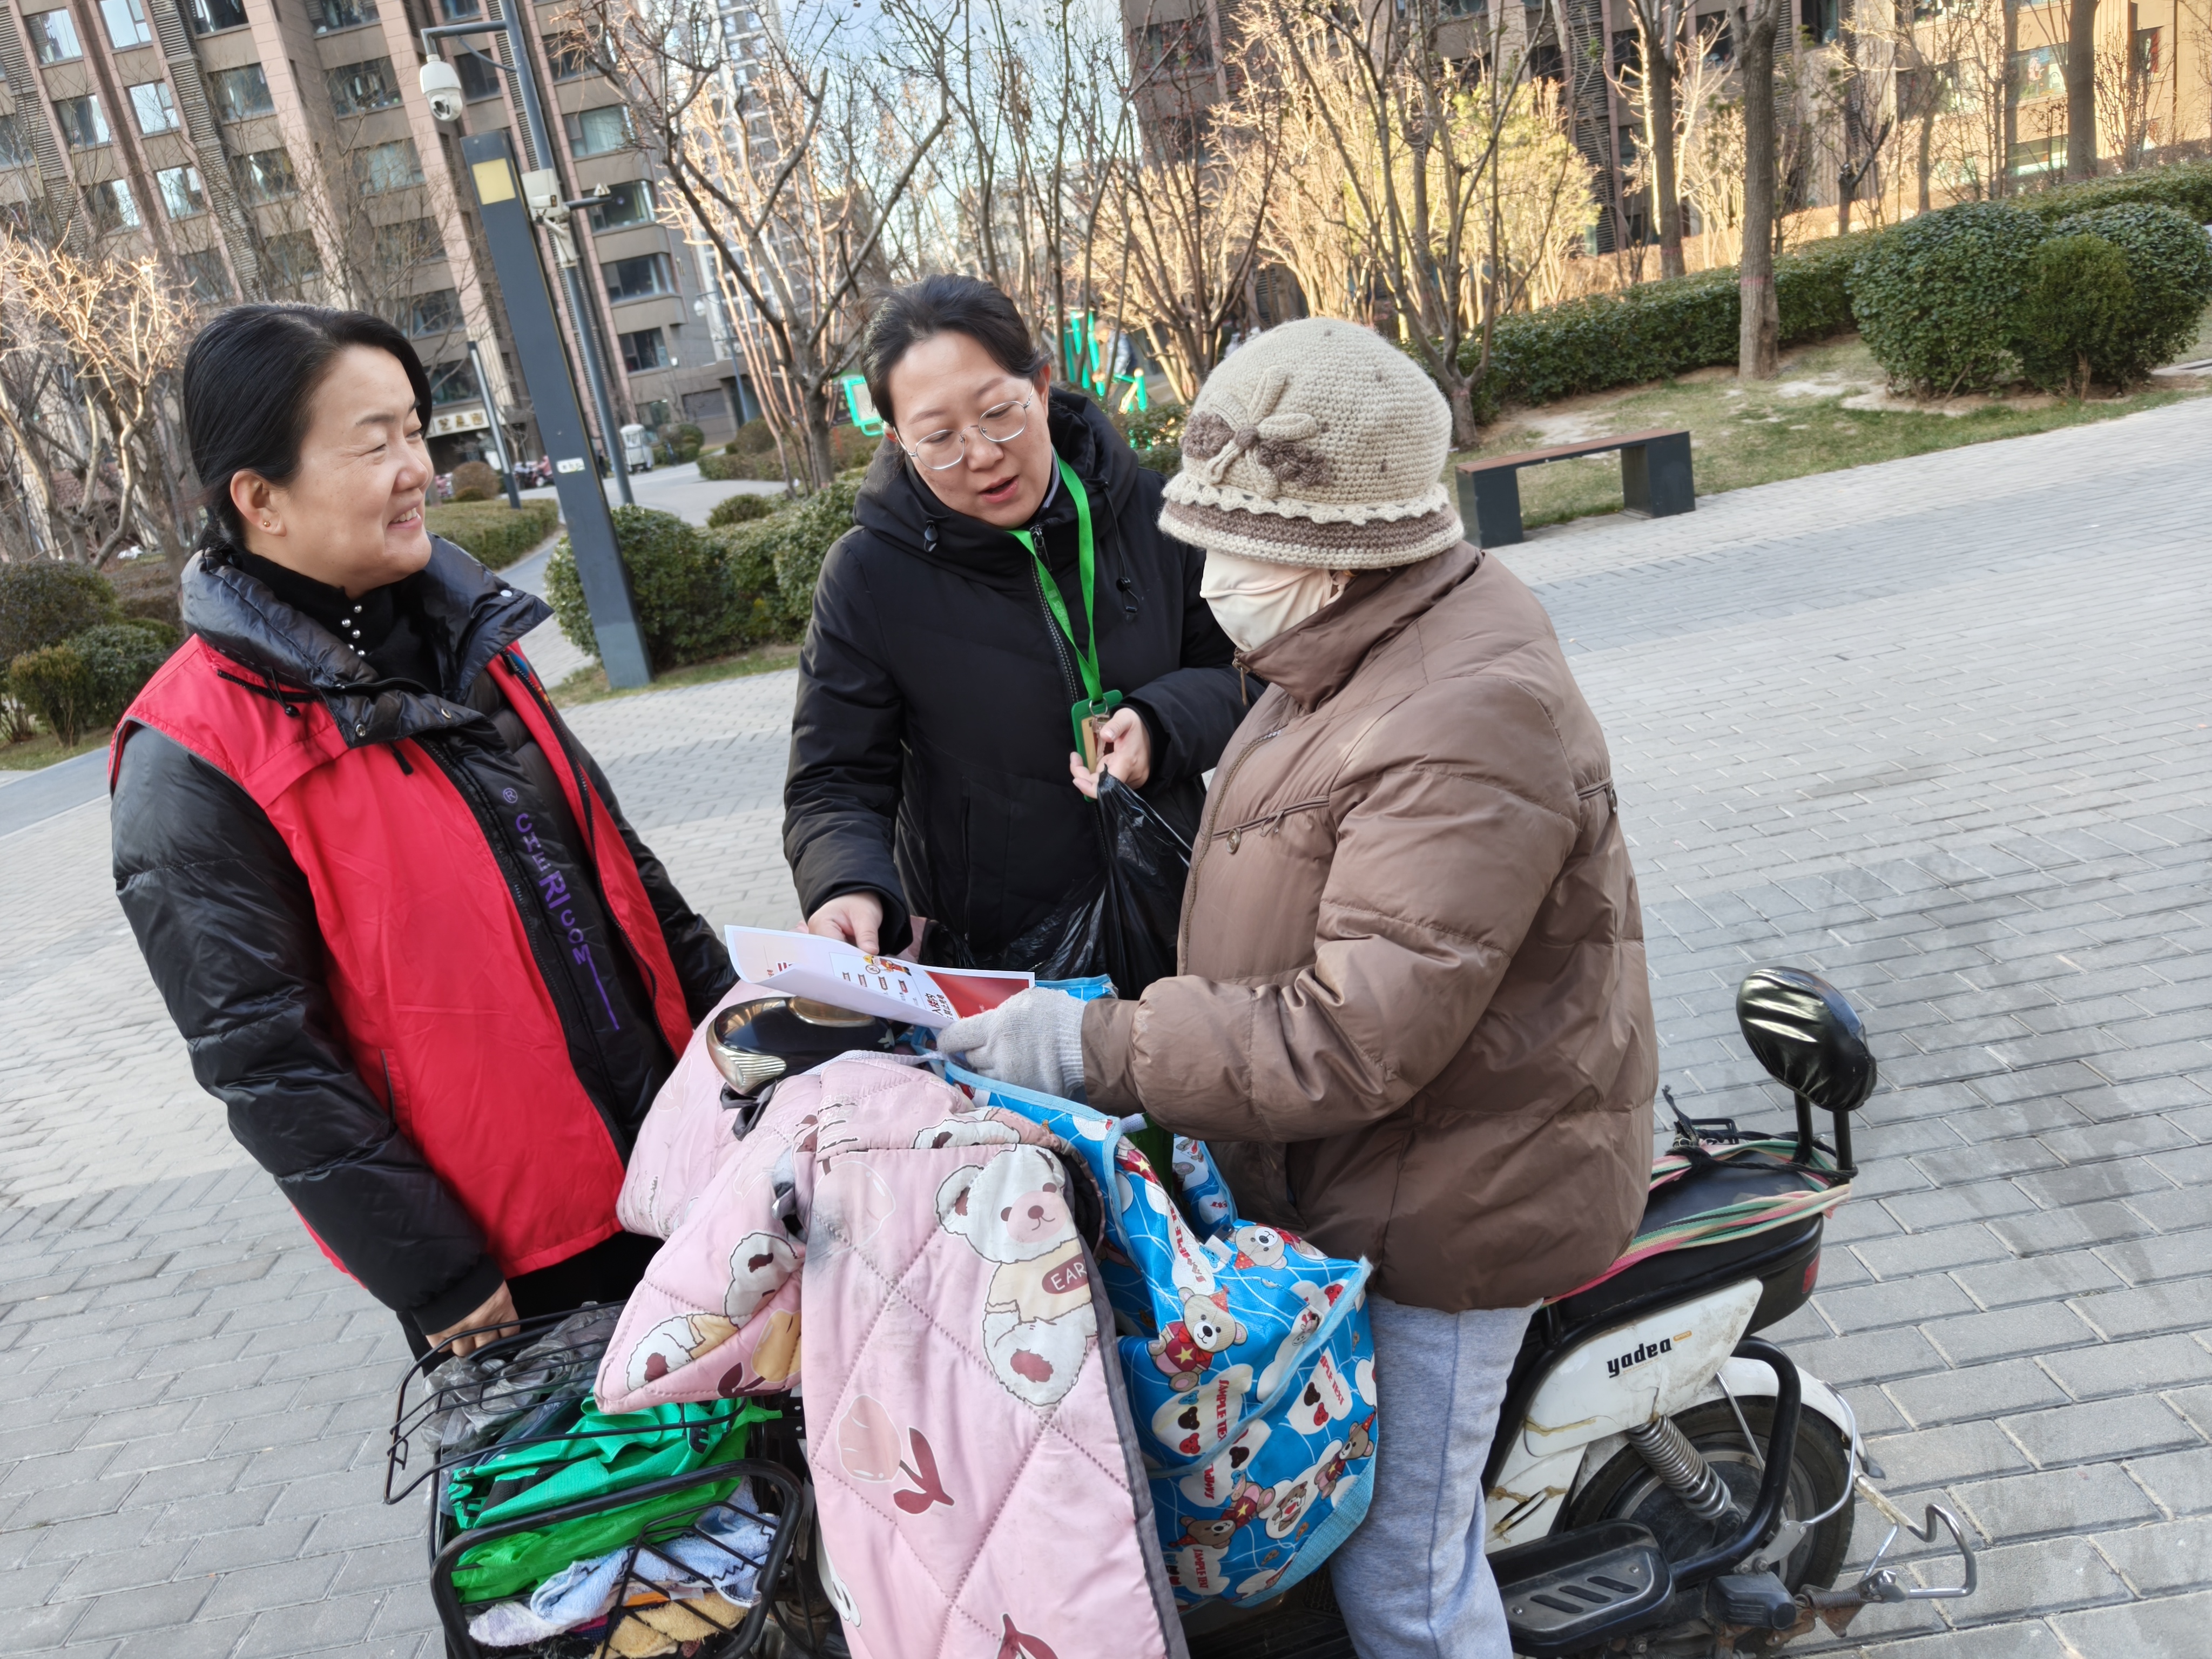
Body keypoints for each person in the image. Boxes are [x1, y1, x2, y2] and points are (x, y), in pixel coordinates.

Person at [939, 318, 1657, 1659]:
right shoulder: (1339, 645)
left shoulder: (1463, 709)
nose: (1207, 578)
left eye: (1232, 547)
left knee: (1406, 1580)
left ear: (1338, 543)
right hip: (1361, 1171)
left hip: (1459, 1207)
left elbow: (1351, 1034)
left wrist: (1095, 1047)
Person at [111, 306, 734, 1359]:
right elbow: (266, 1061)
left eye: (416, 432)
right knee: (612, 1518)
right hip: (522, 1267)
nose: (418, 470)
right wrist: (433, 1273)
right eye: (373, 443)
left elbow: (625, 874)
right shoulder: (192, 757)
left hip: (692, 1165)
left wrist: (748, 1050)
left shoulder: (473, 644)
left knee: (778, 1490)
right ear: (258, 498)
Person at [784, 275, 1245, 972]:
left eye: (1000, 413)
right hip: (998, 962)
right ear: (896, 439)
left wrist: (1161, 725)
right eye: (937, 438)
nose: (980, 454)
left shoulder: (1153, 513)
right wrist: (845, 885)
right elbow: (834, 780)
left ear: (1042, 383)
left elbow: (1246, 680)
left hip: (1186, 908)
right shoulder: (868, 577)